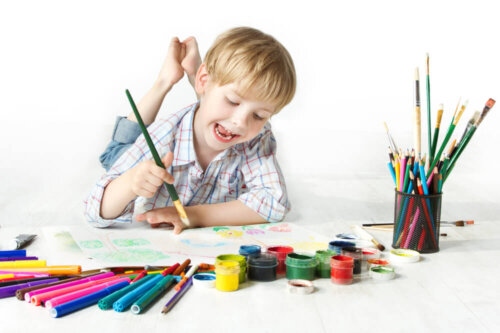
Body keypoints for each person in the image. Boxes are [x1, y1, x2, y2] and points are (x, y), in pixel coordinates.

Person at [84, 27, 296, 234]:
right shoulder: (164, 136)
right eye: (232, 101)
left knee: (213, 113)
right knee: (116, 152)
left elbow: (275, 202)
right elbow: (93, 211)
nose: (241, 122)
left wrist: (193, 216)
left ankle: (197, 74)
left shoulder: (256, 136)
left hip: (205, 104)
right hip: (142, 150)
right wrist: (131, 182)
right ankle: (165, 80)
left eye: (258, 115)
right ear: (204, 80)